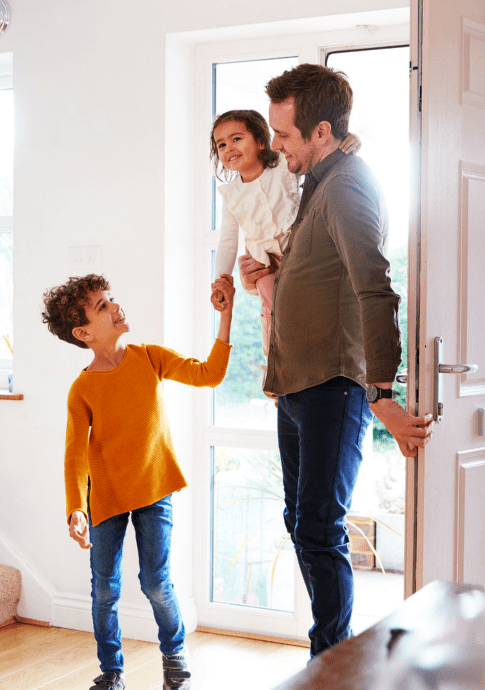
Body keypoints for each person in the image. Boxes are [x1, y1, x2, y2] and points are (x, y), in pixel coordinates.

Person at [238, 63, 434, 657]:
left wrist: (383, 394)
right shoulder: (320, 181)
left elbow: (375, 287)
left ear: (320, 132)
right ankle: (331, 653)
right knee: (303, 526)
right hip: (295, 388)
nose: (275, 147)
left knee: (318, 530)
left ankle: (332, 661)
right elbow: (318, 275)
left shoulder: (346, 184)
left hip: (331, 387)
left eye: (284, 135)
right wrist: (268, 277)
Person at [41, 272, 235, 690]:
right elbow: (75, 453)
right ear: (84, 332)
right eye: (103, 305)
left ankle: (174, 656)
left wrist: (226, 316)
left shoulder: (150, 357)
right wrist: (76, 505)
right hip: (106, 499)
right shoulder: (83, 389)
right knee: (104, 592)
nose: (115, 306)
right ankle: (112, 672)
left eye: (111, 298)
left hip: (153, 491)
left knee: (155, 583)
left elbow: (209, 375)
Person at [210, 109, 360, 358]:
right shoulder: (231, 194)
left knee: (310, 308)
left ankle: (317, 354)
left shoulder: (282, 165)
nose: (228, 148)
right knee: (270, 307)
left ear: (260, 141)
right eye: (221, 144)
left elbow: (318, 163)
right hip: (266, 263)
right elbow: (227, 241)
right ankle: (275, 365)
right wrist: (221, 280)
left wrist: (345, 144)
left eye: (236, 139)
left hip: (300, 253)